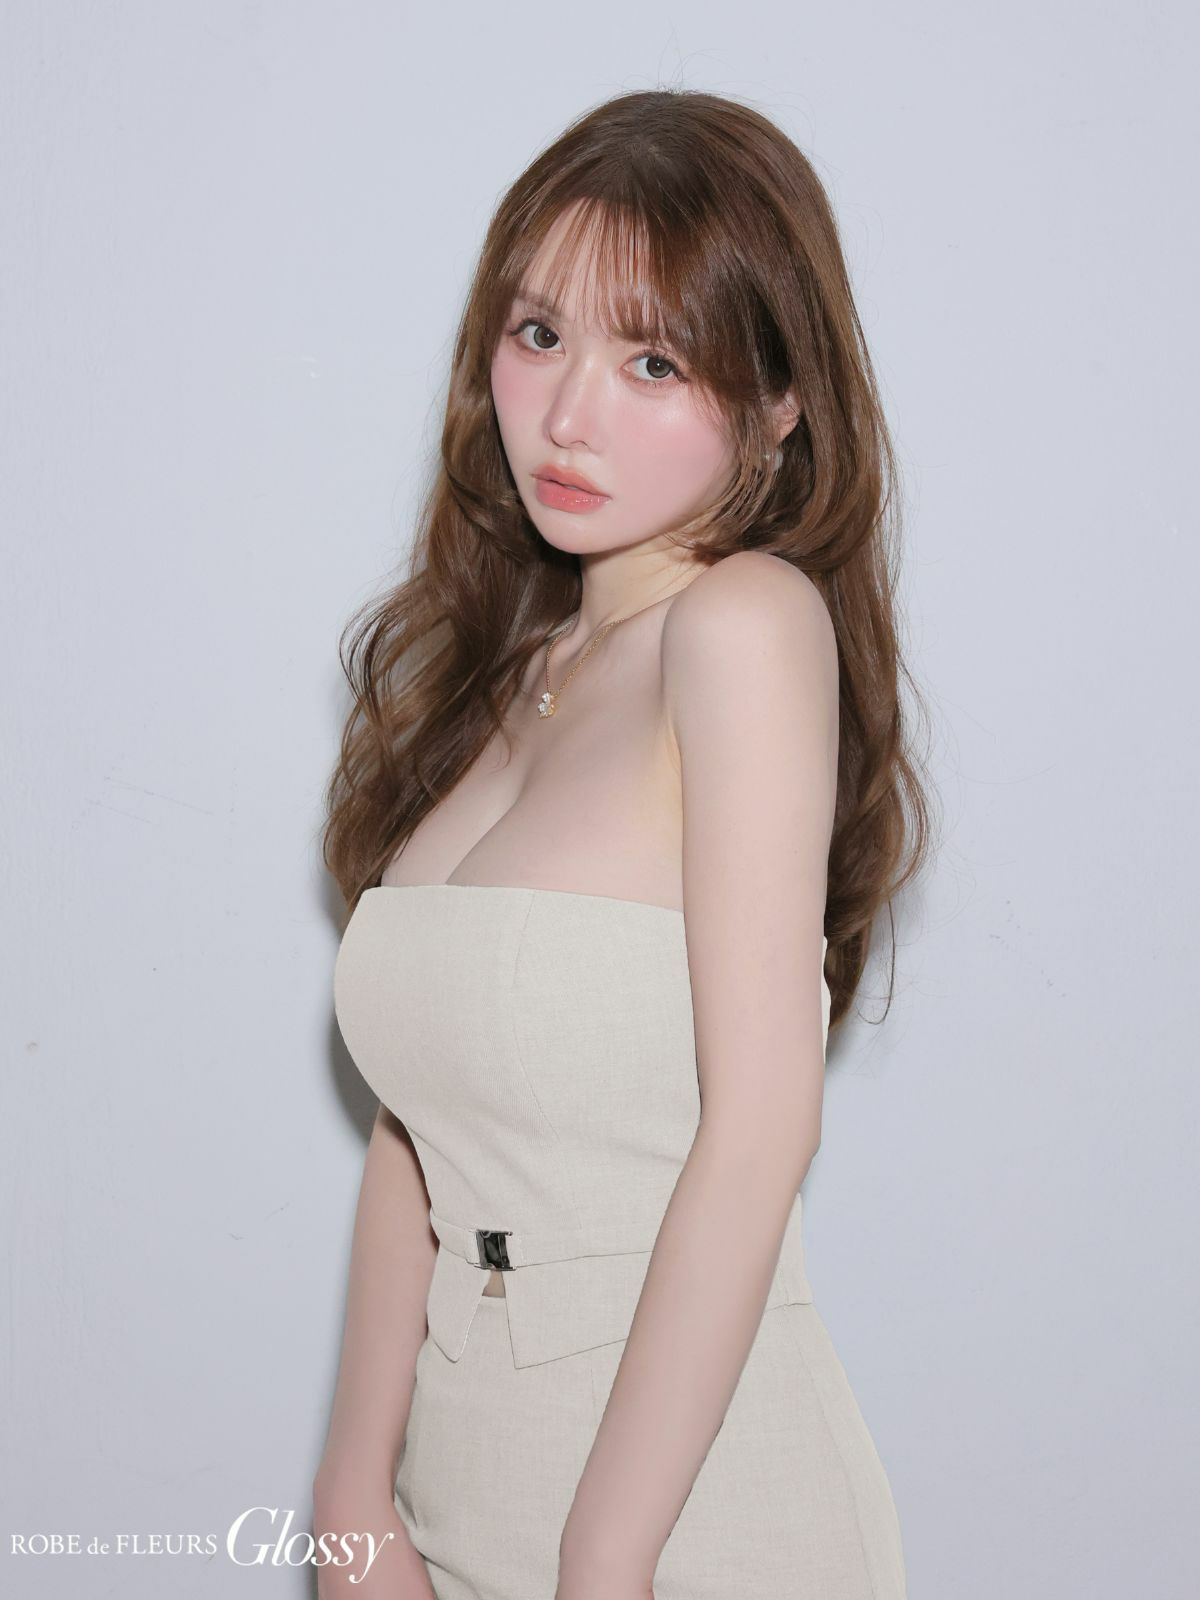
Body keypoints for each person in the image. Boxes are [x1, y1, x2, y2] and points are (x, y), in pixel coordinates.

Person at [314, 87, 931, 1600]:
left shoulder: (742, 626)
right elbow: (418, 1122)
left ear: (781, 404)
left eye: (654, 360)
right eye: (538, 336)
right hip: (455, 1488)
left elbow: (764, 1122)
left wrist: (607, 1555)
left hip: (687, 1516)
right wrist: (351, 1501)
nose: (568, 414)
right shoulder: (511, 677)